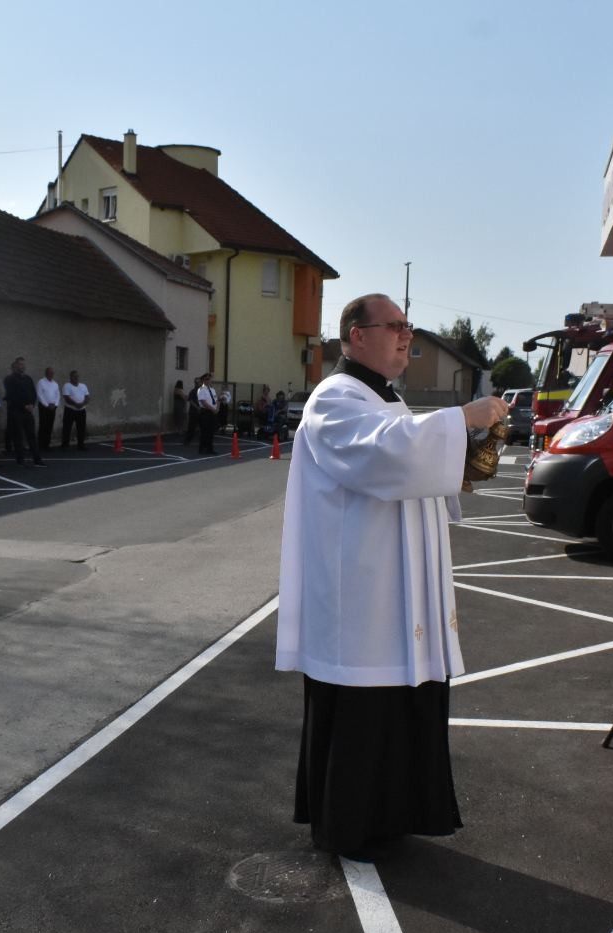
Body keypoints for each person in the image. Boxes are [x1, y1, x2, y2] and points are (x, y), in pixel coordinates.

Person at [276, 293, 508, 861]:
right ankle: (348, 824)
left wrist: (461, 455)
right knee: (362, 712)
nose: (407, 336)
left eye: (409, 327)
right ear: (357, 336)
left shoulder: (388, 400)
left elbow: (411, 460)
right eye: (396, 327)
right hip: (362, 595)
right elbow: (389, 455)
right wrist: (461, 420)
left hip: (398, 591)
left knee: (401, 706)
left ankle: (393, 814)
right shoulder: (334, 399)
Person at [2, 357, 44, 467]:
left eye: (23, 364)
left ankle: (37, 459)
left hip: (28, 412)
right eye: (20, 364)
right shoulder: (9, 379)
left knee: (32, 436)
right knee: (18, 436)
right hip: (16, 411)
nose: (22, 366)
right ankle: (20, 459)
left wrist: (32, 405)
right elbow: (11, 395)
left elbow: (33, 393)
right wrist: (24, 405)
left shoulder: (28, 378)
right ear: (15, 366)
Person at [60, 369, 89, 450]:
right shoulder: (67, 385)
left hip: (82, 410)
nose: (76, 378)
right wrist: (75, 404)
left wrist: (82, 404)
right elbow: (66, 398)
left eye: (77, 376)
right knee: (67, 427)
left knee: (81, 428)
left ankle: (81, 445)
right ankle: (65, 445)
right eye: (74, 376)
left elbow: (87, 397)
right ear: (71, 377)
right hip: (70, 410)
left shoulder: (83, 386)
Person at [35, 366, 60, 453]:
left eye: (52, 373)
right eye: (50, 373)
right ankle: (40, 445)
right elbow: (39, 395)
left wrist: (55, 404)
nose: (51, 374)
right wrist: (46, 405)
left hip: (53, 407)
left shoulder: (55, 384)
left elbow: (58, 395)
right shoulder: (41, 382)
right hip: (44, 407)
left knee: (50, 425)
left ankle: (47, 444)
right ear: (46, 373)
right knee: (43, 425)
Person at [194, 372, 219, 455]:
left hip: (212, 412)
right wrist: (213, 409)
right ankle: (202, 449)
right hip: (205, 412)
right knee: (204, 431)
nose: (208, 381)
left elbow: (216, 400)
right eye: (206, 379)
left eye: (209, 379)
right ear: (203, 380)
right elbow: (203, 402)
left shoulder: (212, 390)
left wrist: (217, 408)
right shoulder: (201, 389)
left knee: (211, 431)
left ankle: (210, 449)